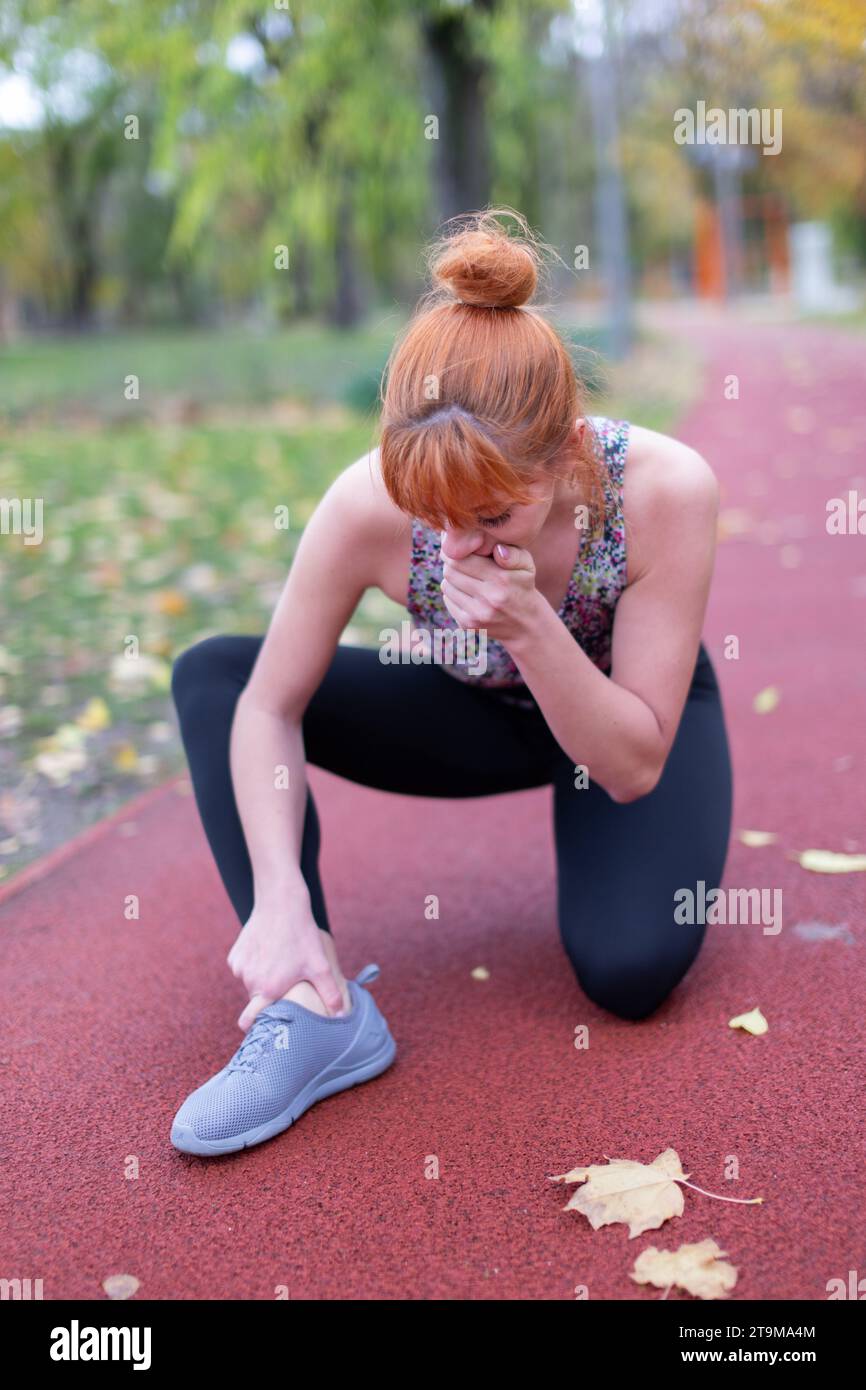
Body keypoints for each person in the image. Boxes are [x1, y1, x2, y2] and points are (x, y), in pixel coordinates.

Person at [170, 208, 732, 1157]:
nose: (459, 542)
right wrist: (278, 895)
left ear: (565, 459)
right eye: (436, 510)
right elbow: (268, 706)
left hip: (621, 724)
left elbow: (635, 765)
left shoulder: (667, 490)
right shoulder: (368, 505)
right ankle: (311, 1001)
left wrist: (528, 623)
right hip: (472, 711)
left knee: (632, 973)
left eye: (492, 513)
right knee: (216, 676)